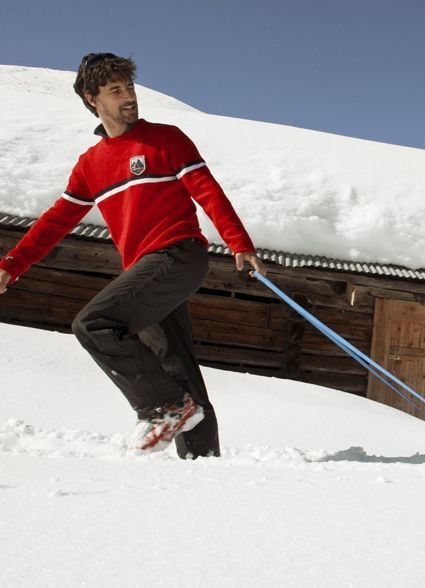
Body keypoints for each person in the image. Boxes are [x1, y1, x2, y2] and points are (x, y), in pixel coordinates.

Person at [0, 53, 265, 458]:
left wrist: (239, 243)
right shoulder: (90, 165)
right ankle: (202, 465)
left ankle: (163, 408)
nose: (128, 97)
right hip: (146, 269)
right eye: (115, 90)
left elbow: (207, 191)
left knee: (94, 323)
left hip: (178, 253)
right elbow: (56, 221)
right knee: (176, 368)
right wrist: (11, 265)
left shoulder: (166, 139)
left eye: (130, 87)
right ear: (92, 99)